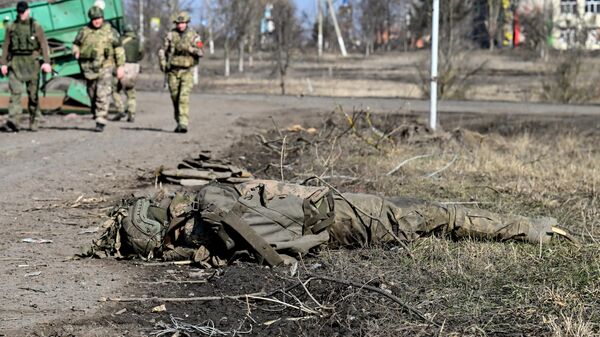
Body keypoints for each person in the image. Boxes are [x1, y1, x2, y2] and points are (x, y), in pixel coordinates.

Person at [85, 179, 574, 267]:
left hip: (339, 214)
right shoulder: (209, 208)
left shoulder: (212, 210)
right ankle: (533, 227)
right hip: (333, 210)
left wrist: (280, 262)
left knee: (435, 216)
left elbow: (263, 245)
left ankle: (533, 228)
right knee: (429, 215)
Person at [0, 1, 52, 132]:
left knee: (33, 95)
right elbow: (6, 46)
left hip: (32, 63)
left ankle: (34, 120)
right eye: (19, 12)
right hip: (16, 62)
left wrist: (46, 62)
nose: (21, 14)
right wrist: (3, 64)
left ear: (28, 11)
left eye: (23, 11)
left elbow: (44, 45)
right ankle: (13, 122)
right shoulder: (11, 27)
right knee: (15, 93)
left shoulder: (36, 26)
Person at [72, 6, 125, 132]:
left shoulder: (110, 32)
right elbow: (76, 44)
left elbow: (119, 49)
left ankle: (101, 119)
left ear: (103, 18)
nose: (97, 21)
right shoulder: (84, 31)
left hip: (105, 66)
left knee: (103, 93)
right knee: (92, 93)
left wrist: (120, 66)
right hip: (89, 69)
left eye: (99, 18)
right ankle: (96, 112)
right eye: (94, 19)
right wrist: (76, 51)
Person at [158, 11, 204, 134]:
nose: (180, 26)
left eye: (182, 23)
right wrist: (162, 63)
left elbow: (201, 52)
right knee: (175, 98)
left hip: (187, 71)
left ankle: (183, 123)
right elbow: (162, 50)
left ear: (187, 23)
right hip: (173, 71)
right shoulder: (170, 35)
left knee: (184, 97)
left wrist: (189, 48)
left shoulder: (194, 36)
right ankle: (178, 120)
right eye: (178, 23)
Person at [111, 24, 144, 123]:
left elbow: (114, 53)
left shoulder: (120, 40)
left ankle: (120, 110)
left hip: (122, 66)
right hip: (134, 67)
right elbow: (141, 54)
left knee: (115, 90)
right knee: (131, 91)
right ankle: (132, 113)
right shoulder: (138, 41)